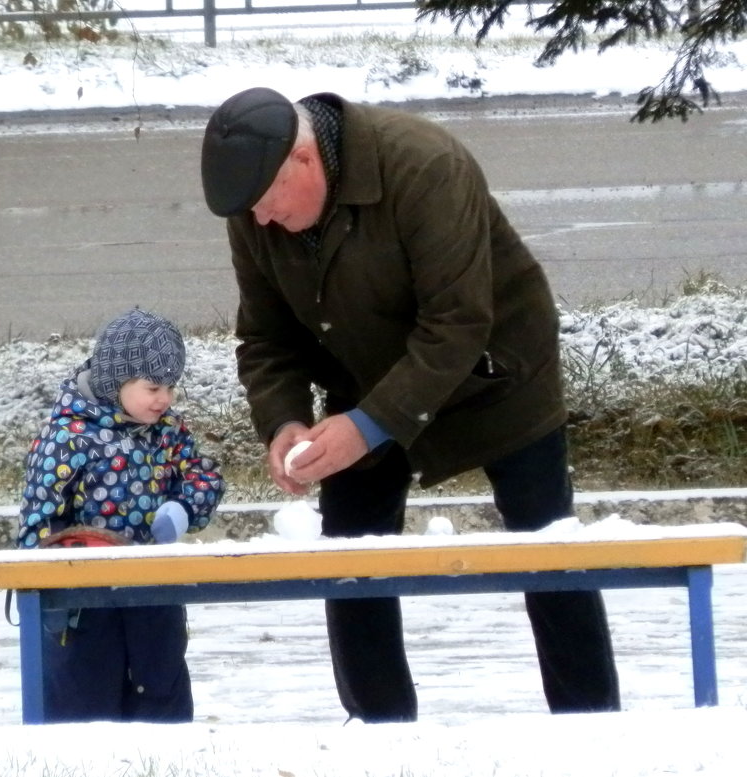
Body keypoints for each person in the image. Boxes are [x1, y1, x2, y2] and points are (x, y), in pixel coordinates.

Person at [199, 87, 621, 723]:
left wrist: (368, 427)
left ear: (304, 161)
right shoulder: (255, 204)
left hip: (497, 371)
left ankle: (591, 726)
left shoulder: (426, 167)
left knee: (548, 552)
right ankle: (380, 730)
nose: (260, 221)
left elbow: (457, 322)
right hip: (363, 371)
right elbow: (266, 336)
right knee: (350, 557)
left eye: (267, 205)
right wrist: (284, 421)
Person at [16, 307, 224, 723]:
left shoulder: (168, 431)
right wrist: (50, 578)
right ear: (116, 380)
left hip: (155, 588)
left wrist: (183, 509)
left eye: (171, 387)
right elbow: (38, 520)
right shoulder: (68, 437)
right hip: (85, 602)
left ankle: (168, 762)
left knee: (160, 692)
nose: (163, 398)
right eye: (152, 386)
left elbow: (204, 477)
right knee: (87, 702)